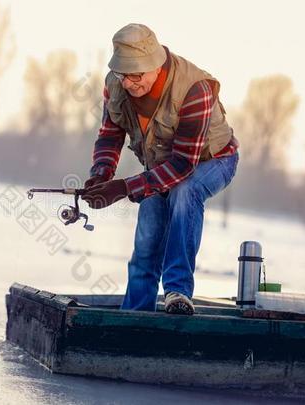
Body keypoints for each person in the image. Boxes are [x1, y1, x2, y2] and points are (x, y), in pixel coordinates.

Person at [81, 23, 240, 315]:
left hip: (214, 160)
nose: (128, 83)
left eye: (135, 75)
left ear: (156, 66)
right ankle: (135, 312)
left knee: (184, 191)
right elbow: (109, 135)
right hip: (161, 169)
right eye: (122, 74)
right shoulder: (115, 85)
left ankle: (178, 291)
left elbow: (183, 166)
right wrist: (101, 176)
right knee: (149, 226)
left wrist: (125, 188)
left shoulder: (194, 89)